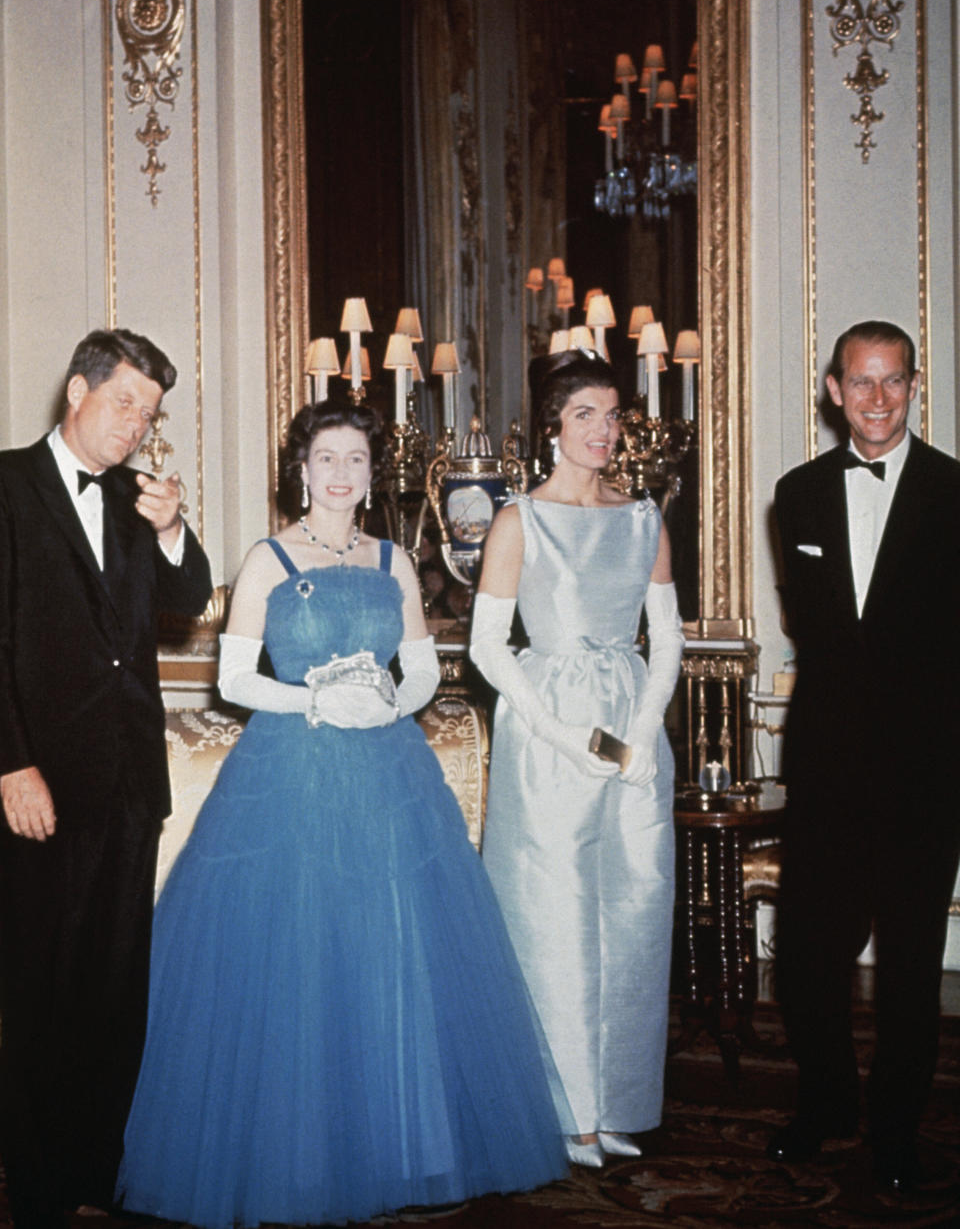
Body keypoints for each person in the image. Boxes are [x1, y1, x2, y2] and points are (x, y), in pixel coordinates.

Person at [116, 399, 568, 1229]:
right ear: (301, 468)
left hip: (385, 773)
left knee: (390, 950)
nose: (341, 474)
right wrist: (318, 698)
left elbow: (429, 669)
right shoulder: (267, 558)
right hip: (290, 771)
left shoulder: (395, 558)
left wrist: (391, 702)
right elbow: (235, 681)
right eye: (327, 458)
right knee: (295, 960)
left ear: (370, 473)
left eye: (355, 460)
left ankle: (402, 1146)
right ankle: (293, 1155)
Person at [0, 328, 213, 1229]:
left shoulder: (137, 500)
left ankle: (96, 1168)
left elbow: (185, 604)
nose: (136, 426)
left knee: (115, 991)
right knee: (39, 991)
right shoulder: (6, 488)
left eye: (150, 413)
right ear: (76, 393)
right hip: (40, 780)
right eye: (124, 402)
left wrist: (172, 531)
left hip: (131, 781)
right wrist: (11, 762)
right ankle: (40, 1190)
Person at [471, 348, 685, 1167]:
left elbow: (663, 638)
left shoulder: (643, 518)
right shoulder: (518, 518)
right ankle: (566, 1111)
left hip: (633, 731)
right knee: (555, 918)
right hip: (549, 730)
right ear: (553, 428)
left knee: (634, 906)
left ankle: (619, 1100)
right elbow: (489, 647)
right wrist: (565, 735)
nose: (603, 430)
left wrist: (641, 728)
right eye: (584, 415)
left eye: (612, 413)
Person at [770, 319, 960, 1192]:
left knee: (911, 973)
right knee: (810, 958)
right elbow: (818, 633)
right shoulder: (797, 494)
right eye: (861, 382)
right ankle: (826, 1105)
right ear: (834, 390)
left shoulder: (955, 492)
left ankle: (894, 1134)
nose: (877, 399)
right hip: (827, 770)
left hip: (925, 774)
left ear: (913, 387)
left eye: (894, 382)